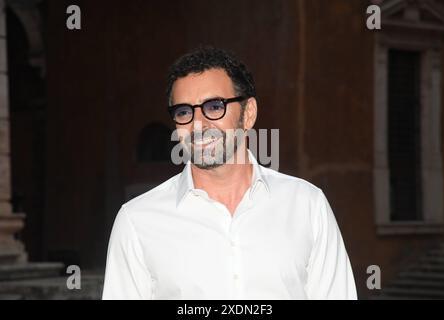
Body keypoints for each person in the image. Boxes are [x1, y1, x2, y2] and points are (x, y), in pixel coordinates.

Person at [102, 46, 357, 300]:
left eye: (214, 107)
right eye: (183, 112)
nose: (198, 124)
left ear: (248, 114)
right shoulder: (137, 222)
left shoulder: (307, 206)